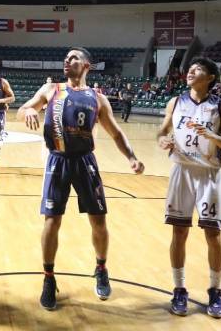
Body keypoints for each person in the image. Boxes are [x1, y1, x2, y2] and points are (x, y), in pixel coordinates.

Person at [17, 47, 144, 311]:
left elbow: (116, 133)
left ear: (87, 65)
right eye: (66, 57)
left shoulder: (97, 98)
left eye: (74, 57)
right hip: (57, 160)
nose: (67, 60)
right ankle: (48, 278)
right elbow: (23, 109)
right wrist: (28, 110)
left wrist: (131, 157)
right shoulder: (51, 90)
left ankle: (101, 268)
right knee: (52, 220)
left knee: (98, 220)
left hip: (86, 162)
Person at [156, 57, 221, 319]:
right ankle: (179, 289)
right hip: (181, 171)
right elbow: (162, 132)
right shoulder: (175, 102)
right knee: (179, 232)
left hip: (208, 174)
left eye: (198, 69)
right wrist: (163, 141)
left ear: (211, 77)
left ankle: (215, 290)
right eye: (190, 68)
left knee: (213, 234)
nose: (191, 71)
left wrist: (210, 135)